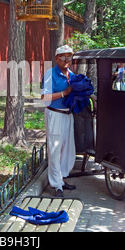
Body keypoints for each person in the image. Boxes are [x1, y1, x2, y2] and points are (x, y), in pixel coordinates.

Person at [41, 45, 77, 197]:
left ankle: (61, 178)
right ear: (57, 58)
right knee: (55, 150)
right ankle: (56, 185)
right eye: (64, 56)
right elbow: (44, 97)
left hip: (68, 115)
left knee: (67, 149)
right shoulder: (50, 74)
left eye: (70, 56)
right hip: (55, 114)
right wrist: (64, 93)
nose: (67, 60)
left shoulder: (71, 74)